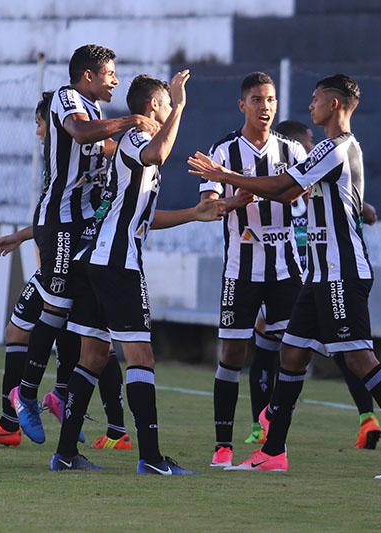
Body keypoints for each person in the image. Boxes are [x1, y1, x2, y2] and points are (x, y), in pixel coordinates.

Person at [189, 74, 381, 479]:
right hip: (317, 274)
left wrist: (225, 175)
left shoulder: (335, 148)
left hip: (341, 271)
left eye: (316, 98)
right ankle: (273, 451)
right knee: (292, 351)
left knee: (358, 357)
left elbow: (284, 187)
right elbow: (290, 192)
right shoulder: (328, 148)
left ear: (334, 104)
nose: (309, 105)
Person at [50, 70, 223, 473]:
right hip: (117, 263)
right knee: (141, 358)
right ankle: (151, 458)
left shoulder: (135, 145)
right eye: (166, 103)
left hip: (98, 260)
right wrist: (180, 105)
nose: (170, 108)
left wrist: (194, 214)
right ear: (153, 105)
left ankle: (65, 454)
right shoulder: (138, 138)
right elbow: (159, 154)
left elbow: (141, 216)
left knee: (93, 356)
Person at [7, 44, 162, 446]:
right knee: (57, 306)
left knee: (84, 321)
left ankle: (64, 396)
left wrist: (134, 146)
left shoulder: (96, 113)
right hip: (60, 220)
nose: (115, 80)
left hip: (86, 225)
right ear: (88, 75)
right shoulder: (67, 99)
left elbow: (104, 145)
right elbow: (80, 132)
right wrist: (134, 120)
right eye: (110, 74)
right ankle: (25, 393)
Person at [0, 91, 131, 450]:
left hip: (78, 249)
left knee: (84, 336)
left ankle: (39, 405)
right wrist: (23, 235)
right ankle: (32, 412)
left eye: (40, 123)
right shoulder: (71, 160)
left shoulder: (95, 150)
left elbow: (89, 208)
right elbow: (60, 212)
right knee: (52, 331)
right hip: (65, 244)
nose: (39, 132)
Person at [198, 73, 309, 468]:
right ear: (242, 105)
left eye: (271, 99)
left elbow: (295, 192)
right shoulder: (224, 151)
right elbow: (209, 207)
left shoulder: (292, 150)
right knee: (232, 352)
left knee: (293, 352)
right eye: (257, 99)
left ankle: (273, 435)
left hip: (286, 268)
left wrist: (250, 187)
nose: (265, 107)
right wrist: (232, 202)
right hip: (240, 269)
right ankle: (223, 446)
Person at [273, 119, 381, 451]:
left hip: (319, 274)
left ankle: (267, 423)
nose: (313, 145)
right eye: (308, 141)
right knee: (329, 351)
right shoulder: (296, 178)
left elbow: (366, 212)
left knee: (337, 350)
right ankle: (366, 417)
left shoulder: (324, 166)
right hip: (302, 274)